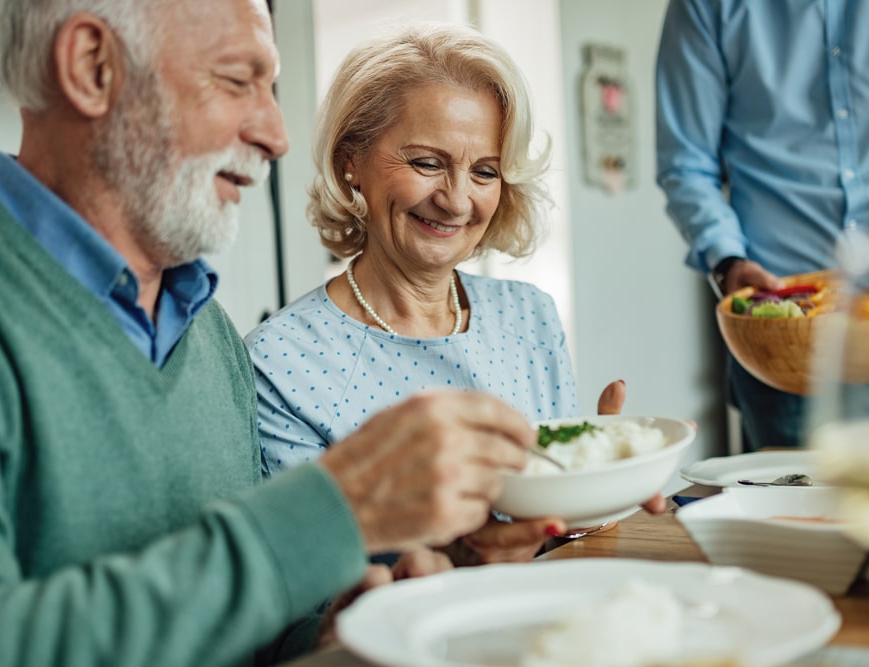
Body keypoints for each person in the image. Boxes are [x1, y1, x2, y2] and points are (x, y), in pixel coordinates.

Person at [0, 2, 549, 664]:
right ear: (92, 66)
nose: (277, 134)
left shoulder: (209, 336)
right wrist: (333, 509)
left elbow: (236, 630)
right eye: (236, 80)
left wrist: (336, 633)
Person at [245, 23, 663, 566]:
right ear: (351, 160)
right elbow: (300, 593)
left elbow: (556, 531)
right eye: (426, 162)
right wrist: (458, 562)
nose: (457, 200)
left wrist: (600, 489)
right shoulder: (281, 361)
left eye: (484, 171)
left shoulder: (528, 315)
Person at [655, 0, 869, 451]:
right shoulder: (706, 7)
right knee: (790, 513)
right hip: (786, 339)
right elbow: (685, 162)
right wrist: (727, 260)